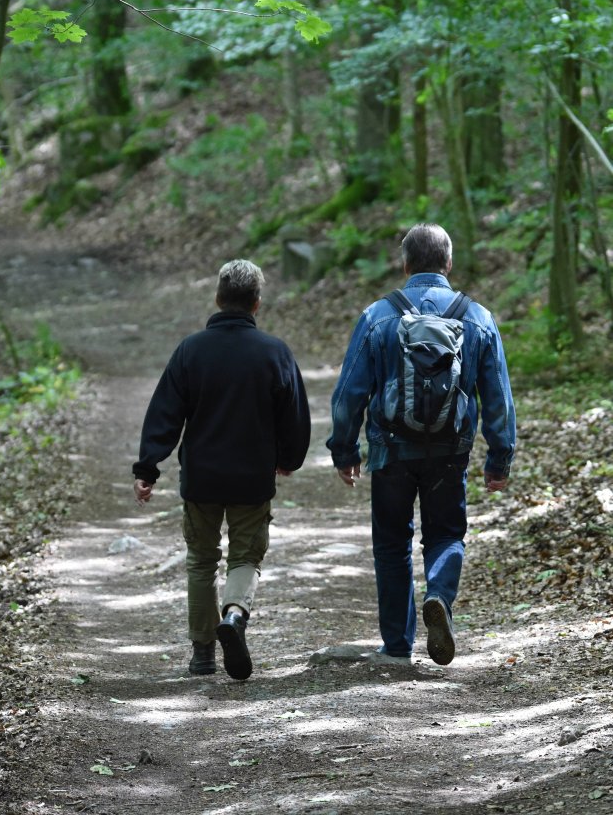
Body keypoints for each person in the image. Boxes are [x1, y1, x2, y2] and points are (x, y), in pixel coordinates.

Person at [327, 224, 515, 666]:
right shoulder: (477, 317)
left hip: (391, 451)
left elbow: (348, 393)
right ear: (448, 264)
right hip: (450, 452)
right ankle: (440, 598)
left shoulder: (379, 315)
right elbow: (498, 397)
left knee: (392, 543)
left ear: (405, 264)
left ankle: (396, 647)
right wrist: (499, 457)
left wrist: (345, 450)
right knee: (447, 533)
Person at [133, 259, 311, 680]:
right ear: (257, 303)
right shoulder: (274, 352)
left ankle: (202, 655)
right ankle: (234, 615)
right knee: (245, 556)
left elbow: (165, 414)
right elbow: (295, 417)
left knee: (201, 560)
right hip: (252, 477)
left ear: (217, 298)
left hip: (202, 478)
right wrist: (288, 459)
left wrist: (148, 468)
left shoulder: (191, 351)